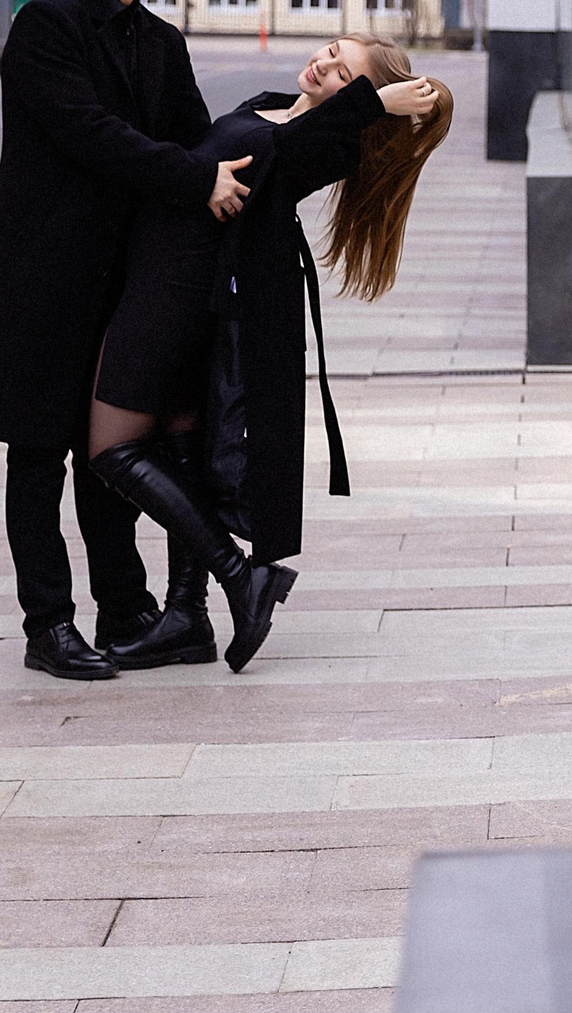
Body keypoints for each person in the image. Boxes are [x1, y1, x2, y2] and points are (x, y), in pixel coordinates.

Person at [0, 0, 253, 682]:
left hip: (123, 279)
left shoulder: (160, 43)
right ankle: (48, 624)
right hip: (41, 276)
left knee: (111, 453)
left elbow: (202, 136)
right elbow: (94, 136)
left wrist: (308, 120)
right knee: (36, 454)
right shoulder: (45, 27)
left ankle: (125, 606)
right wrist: (197, 181)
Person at [84, 34, 450, 672]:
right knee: (178, 452)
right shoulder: (280, 105)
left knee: (110, 449)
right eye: (332, 50)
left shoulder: (328, 141)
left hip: (177, 294)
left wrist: (372, 105)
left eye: (344, 73)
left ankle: (239, 575)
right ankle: (185, 616)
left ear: (362, 98)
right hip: (168, 283)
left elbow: (287, 154)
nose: (325, 63)